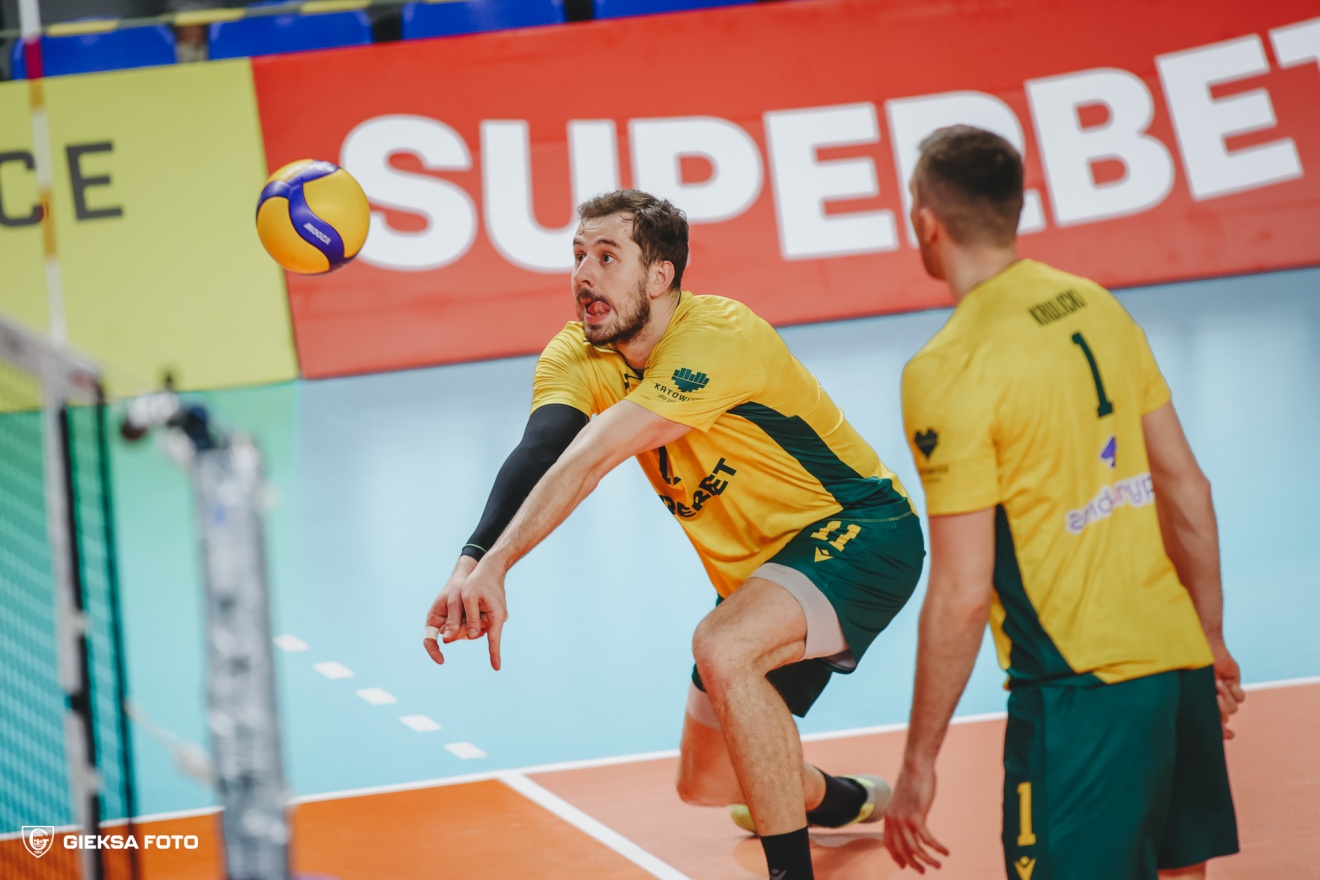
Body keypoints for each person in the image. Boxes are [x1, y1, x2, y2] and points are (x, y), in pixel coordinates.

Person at [422, 189, 926, 880]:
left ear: (660, 276)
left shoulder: (719, 338)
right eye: (578, 256)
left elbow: (593, 456)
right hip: (760, 577)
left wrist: (501, 564)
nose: (583, 275)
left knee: (723, 646)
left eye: (607, 257)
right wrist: (472, 561)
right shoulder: (578, 352)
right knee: (710, 784)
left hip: (860, 531)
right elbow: (543, 451)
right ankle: (837, 800)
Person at [881, 126, 1244, 880]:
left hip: (1078, 693)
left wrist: (918, 762)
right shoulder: (1095, 304)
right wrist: (1208, 637)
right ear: (1015, 208)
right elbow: (1187, 488)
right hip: (1176, 664)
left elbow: (960, 593)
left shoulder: (949, 367)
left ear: (927, 222)